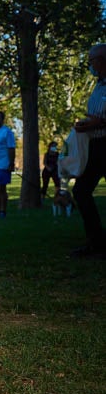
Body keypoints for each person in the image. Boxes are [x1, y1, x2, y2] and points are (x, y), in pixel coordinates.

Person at [70, 43, 106, 257]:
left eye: (92, 61)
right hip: (95, 146)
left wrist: (98, 123)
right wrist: (85, 124)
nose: (90, 66)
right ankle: (96, 242)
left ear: (102, 60)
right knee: (81, 191)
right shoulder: (98, 85)